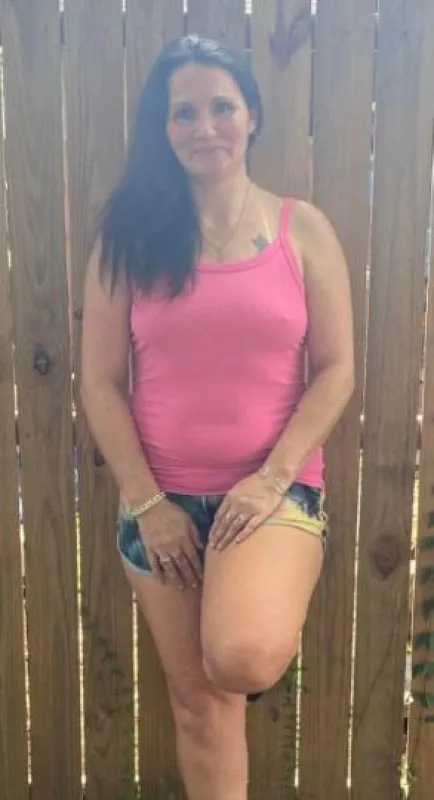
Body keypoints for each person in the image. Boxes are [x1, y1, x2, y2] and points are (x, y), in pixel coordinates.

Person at [81, 35, 354, 800]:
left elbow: (337, 370)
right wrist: (149, 504)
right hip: (160, 504)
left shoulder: (304, 230)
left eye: (221, 107)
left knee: (239, 657)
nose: (204, 127)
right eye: (183, 113)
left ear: (252, 115)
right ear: (163, 128)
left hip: (272, 493)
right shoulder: (128, 240)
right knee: (198, 708)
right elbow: (99, 382)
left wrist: (270, 479)